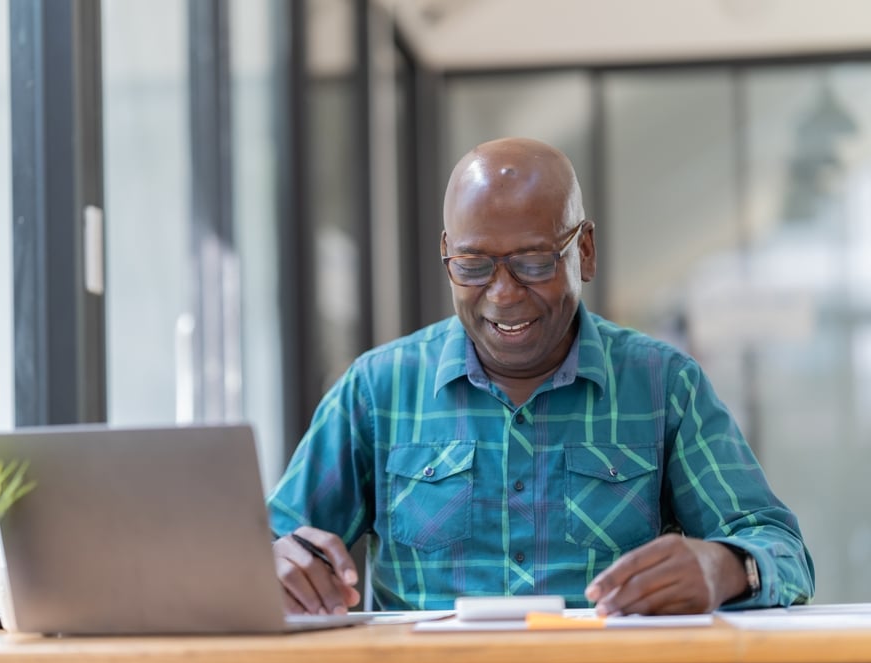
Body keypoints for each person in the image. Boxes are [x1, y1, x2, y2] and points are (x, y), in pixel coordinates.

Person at [267, 137, 815, 616]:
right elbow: (266, 547)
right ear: (446, 255)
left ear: (585, 251)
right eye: (474, 265)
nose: (503, 294)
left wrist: (724, 567)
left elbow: (781, 549)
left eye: (533, 262)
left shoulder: (663, 385)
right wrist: (274, 564)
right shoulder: (376, 391)